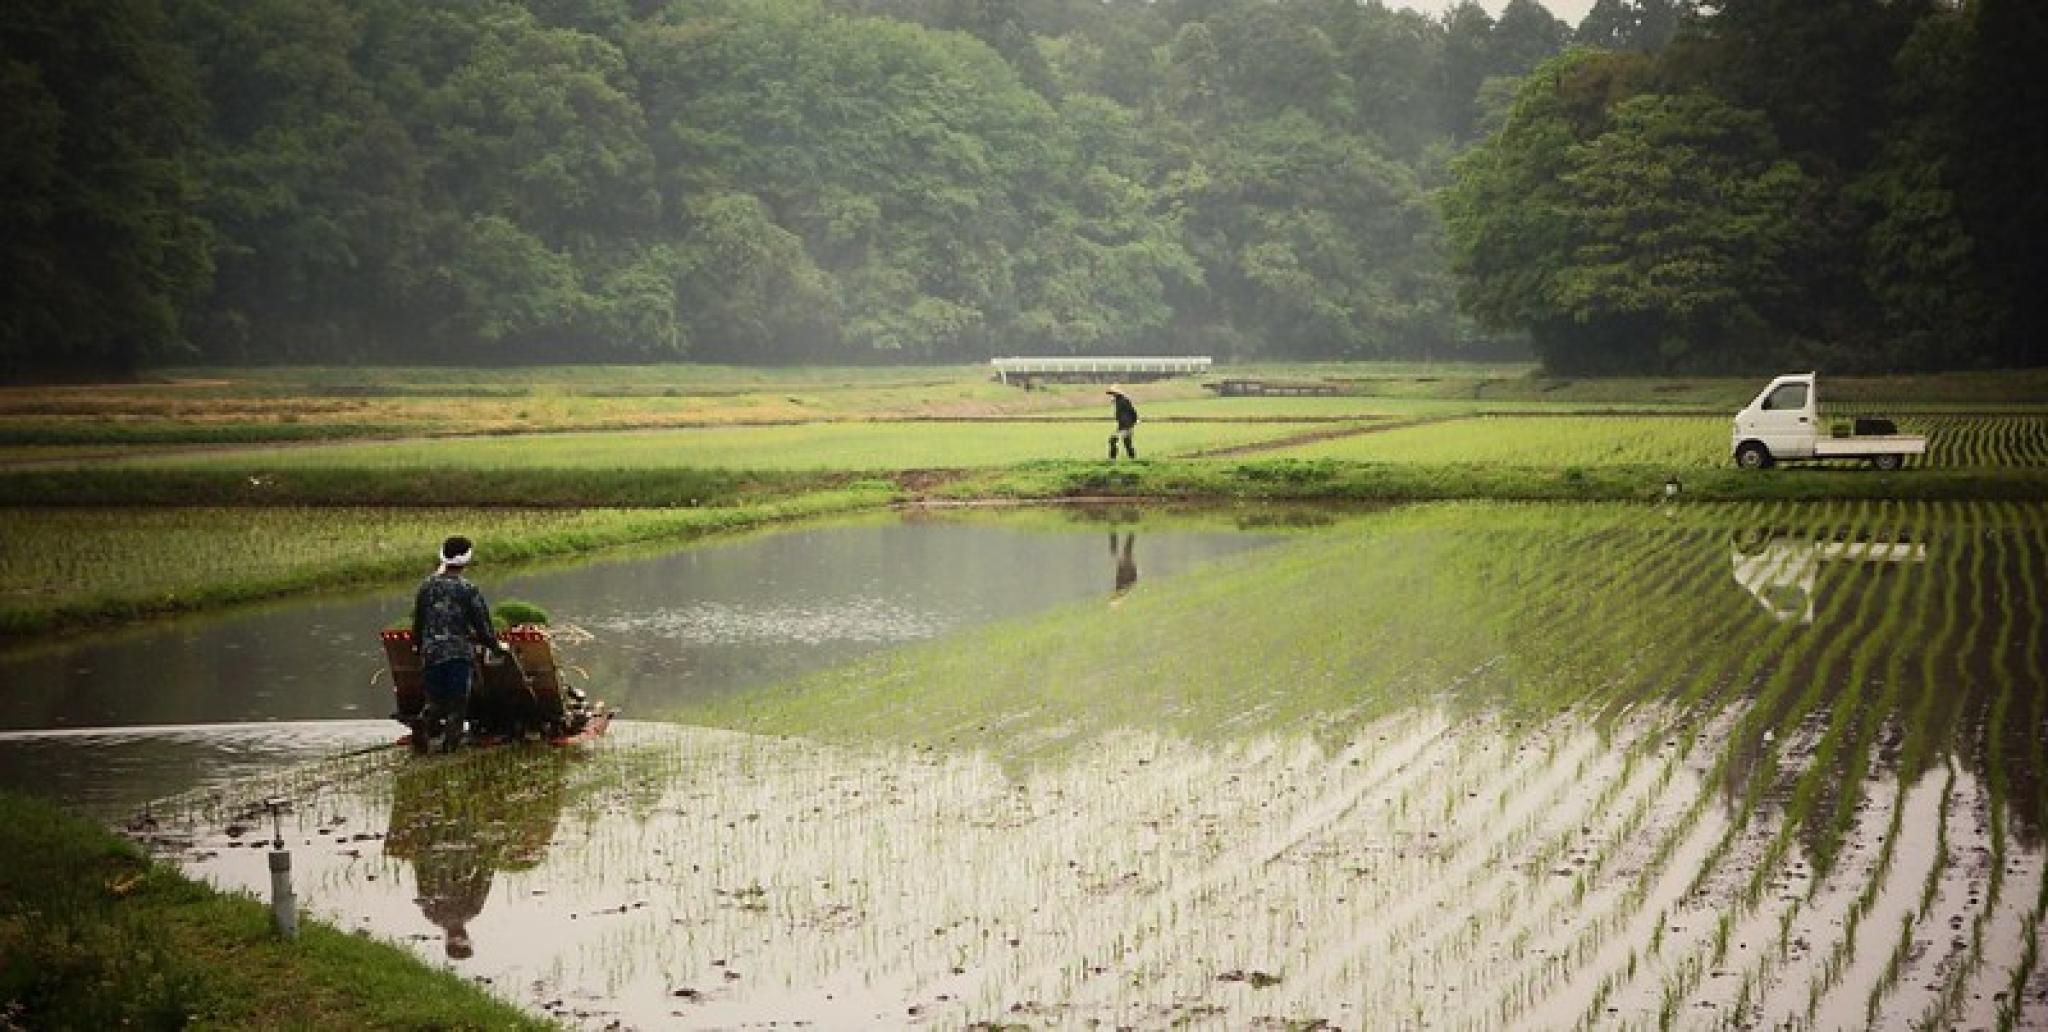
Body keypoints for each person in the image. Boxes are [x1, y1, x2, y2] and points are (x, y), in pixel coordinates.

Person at [410, 535, 507, 753]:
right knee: (457, 703)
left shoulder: (426, 586)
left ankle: (424, 722)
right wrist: (495, 646)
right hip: (457, 654)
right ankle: (450, 748)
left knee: (434, 700)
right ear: (466, 560)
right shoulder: (467, 589)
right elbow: (482, 626)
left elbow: (418, 621)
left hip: (430, 652)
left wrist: (418, 645)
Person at [1107, 385, 1139, 459]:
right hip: (1122, 425)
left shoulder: (1124, 401)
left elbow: (1132, 411)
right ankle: (1130, 458)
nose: (1112, 395)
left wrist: (1135, 420)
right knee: (1119, 441)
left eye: (1113, 393)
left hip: (1126, 425)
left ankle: (1114, 459)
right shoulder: (1118, 401)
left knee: (1123, 441)